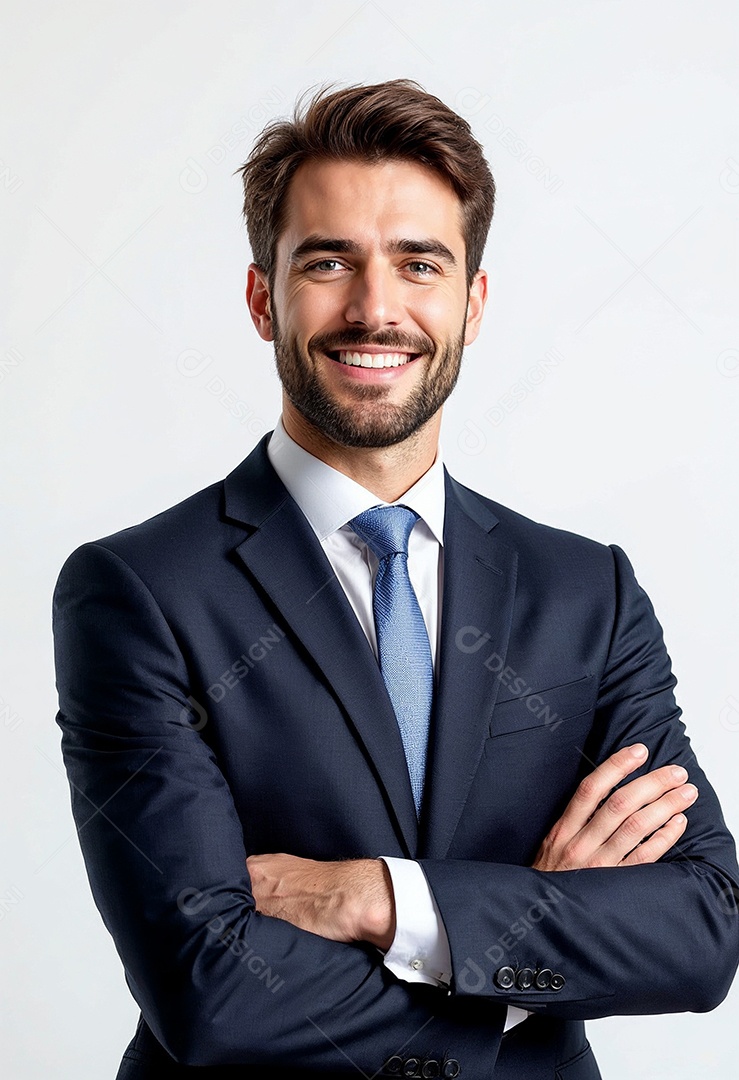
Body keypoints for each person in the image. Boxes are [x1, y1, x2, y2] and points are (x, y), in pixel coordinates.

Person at [53, 80, 739, 1079]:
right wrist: (513, 950)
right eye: (328, 263)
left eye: (419, 264)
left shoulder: (585, 591)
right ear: (262, 298)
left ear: (472, 301)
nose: (376, 309)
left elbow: (698, 929)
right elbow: (209, 990)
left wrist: (380, 899)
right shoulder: (138, 590)